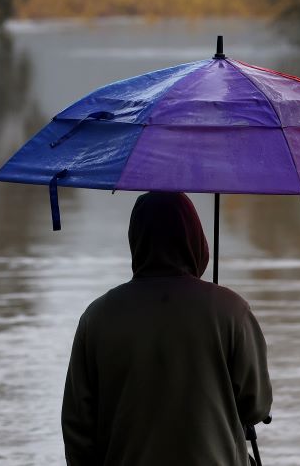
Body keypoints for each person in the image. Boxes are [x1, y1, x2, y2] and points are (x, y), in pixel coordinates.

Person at [61, 191, 272, 466]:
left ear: (136, 240)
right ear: (195, 239)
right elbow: (256, 406)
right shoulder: (232, 311)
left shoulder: (97, 318)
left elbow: (78, 430)